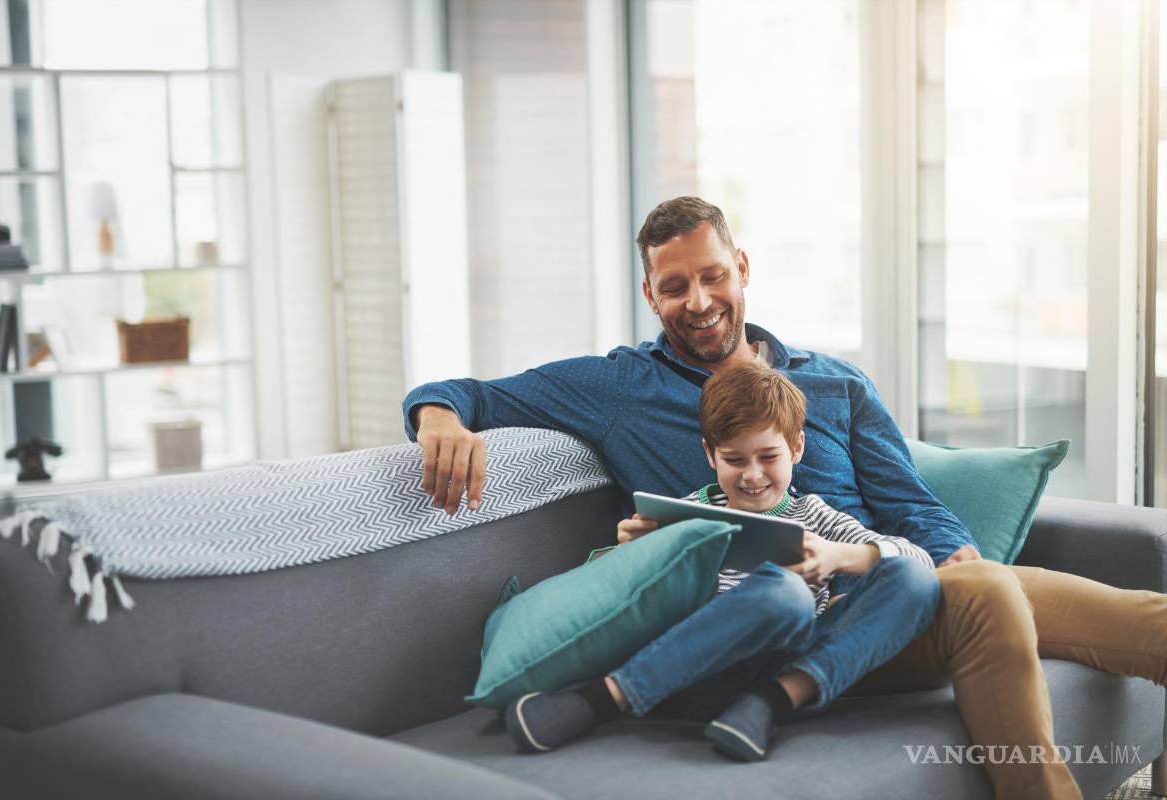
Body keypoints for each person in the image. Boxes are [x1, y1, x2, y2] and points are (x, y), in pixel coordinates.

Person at [404, 196, 1167, 798]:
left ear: (741, 268)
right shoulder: (620, 389)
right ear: (650, 296)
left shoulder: (832, 382)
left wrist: (953, 553)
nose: (698, 300)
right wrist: (439, 419)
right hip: (778, 620)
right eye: (674, 287)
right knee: (989, 596)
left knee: (1104, 609)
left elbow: (909, 502)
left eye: (712, 276)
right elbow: (467, 393)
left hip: (881, 586)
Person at [504, 362, 942, 762]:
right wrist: (631, 552)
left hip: (789, 671)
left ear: (796, 448)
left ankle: (772, 702)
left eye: (768, 457)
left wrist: (837, 556)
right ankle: (603, 699)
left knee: (915, 579)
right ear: (711, 455)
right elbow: (607, 594)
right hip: (698, 668)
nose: (752, 475)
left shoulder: (814, 517)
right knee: (785, 594)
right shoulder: (686, 514)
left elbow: (919, 559)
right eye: (734, 460)